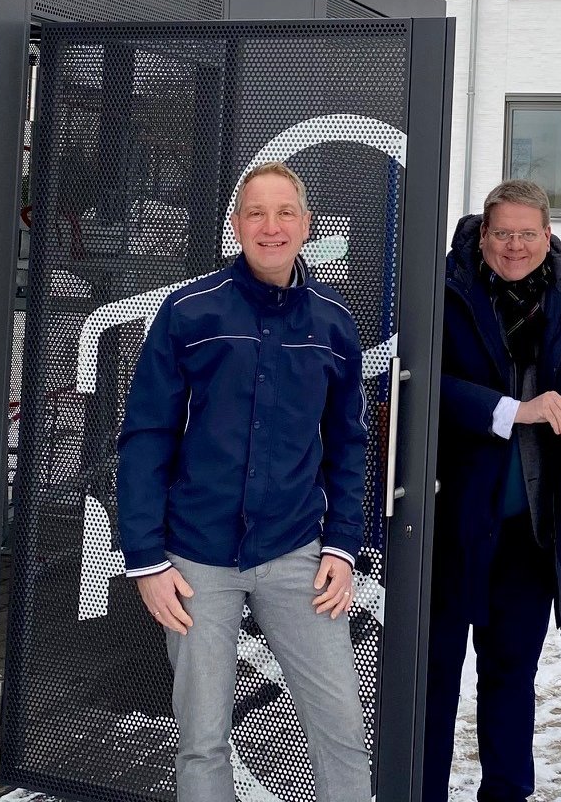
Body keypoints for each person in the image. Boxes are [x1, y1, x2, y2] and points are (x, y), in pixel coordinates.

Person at [115, 161, 370, 802]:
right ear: (235, 224)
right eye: (256, 212)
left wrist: (342, 545)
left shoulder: (333, 326)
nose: (271, 225)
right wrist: (145, 558)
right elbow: (145, 437)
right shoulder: (188, 312)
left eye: (285, 212)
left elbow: (347, 446)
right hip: (196, 560)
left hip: (296, 557)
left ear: (307, 225)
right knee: (202, 739)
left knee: (339, 727)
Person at [428, 179, 561, 802]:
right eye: (501, 233)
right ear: (482, 235)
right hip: (450, 524)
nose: (514, 246)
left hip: (531, 532)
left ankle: (506, 794)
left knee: (510, 678)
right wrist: (511, 409)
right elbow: (425, 385)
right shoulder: (444, 293)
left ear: (547, 236)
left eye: (527, 234)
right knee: (435, 678)